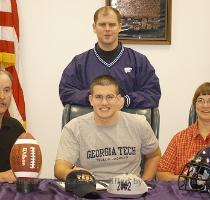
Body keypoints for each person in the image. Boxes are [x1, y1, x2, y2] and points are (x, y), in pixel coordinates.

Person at [54, 75, 161, 181]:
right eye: (98, 97)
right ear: (91, 100)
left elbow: (154, 156)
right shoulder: (74, 127)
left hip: (130, 191)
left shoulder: (139, 123)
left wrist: (144, 183)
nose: (104, 103)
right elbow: (59, 168)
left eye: (109, 97)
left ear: (118, 99)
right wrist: (73, 174)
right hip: (91, 189)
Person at [59, 6, 161, 109]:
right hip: (90, 123)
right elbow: (66, 92)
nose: (107, 29)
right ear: (94, 27)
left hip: (128, 123)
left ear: (120, 27)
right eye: (102, 25)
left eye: (112, 25)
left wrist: (125, 101)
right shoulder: (79, 63)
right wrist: (93, 97)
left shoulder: (138, 61)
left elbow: (153, 93)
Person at [157, 82, 210, 181]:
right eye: (200, 100)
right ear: (194, 106)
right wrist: (184, 180)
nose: (205, 105)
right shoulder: (180, 138)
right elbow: (161, 174)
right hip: (184, 194)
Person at [0, 70, 25, 183]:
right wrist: (2, 177)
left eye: (6, 90)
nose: (2, 96)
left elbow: (26, 167)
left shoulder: (16, 127)